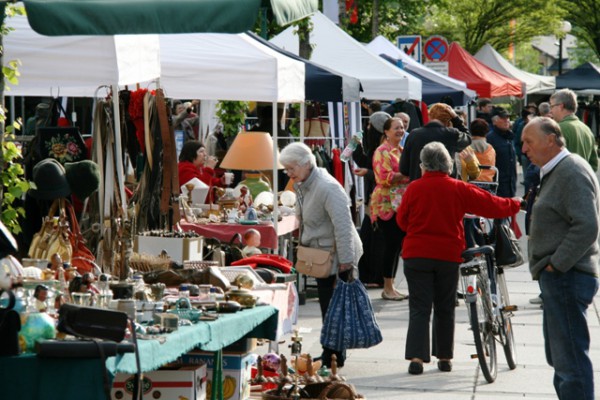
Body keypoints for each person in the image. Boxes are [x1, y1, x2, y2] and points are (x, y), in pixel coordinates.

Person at [397, 141, 522, 375]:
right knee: (445, 306)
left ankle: (416, 358)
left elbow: (402, 221)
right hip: (447, 254)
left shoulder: (414, 188)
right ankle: (444, 357)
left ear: (423, 165)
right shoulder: (458, 188)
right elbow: (491, 205)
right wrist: (516, 203)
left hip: (417, 254)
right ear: (448, 165)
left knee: (419, 307)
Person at [521, 117, 599, 400]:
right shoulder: (557, 170)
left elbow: (587, 225)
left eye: (529, 142)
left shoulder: (571, 171)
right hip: (560, 277)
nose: (525, 149)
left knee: (570, 363)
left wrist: (558, 263)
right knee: (561, 358)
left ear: (551, 139)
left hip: (567, 276)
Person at [280, 142, 362, 368]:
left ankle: (333, 357)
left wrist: (346, 262)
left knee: (333, 309)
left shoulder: (327, 187)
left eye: (291, 168)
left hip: (335, 257)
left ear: (306, 165)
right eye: (286, 169)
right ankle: (332, 355)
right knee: (329, 308)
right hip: (322, 254)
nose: (288, 173)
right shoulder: (305, 183)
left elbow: (344, 227)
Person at [370, 117, 410, 301]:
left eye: (402, 127)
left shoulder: (401, 150)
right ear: (386, 132)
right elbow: (384, 178)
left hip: (400, 203)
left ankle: (391, 286)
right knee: (391, 246)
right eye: (396, 128)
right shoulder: (382, 151)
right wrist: (408, 174)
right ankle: (387, 287)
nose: (400, 131)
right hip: (386, 205)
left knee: (396, 246)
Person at [353, 111, 391, 288]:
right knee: (370, 238)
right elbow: (367, 164)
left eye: (369, 125)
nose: (367, 128)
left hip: (380, 202)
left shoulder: (382, 148)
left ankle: (376, 277)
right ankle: (373, 276)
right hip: (376, 201)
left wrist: (367, 172)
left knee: (374, 239)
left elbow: (380, 175)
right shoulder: (379, 146)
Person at [400, 103, 471, 181]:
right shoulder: (452, 134)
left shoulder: (414, 134)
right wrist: (456, 119)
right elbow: (468, 138)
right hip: (445, 185)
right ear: (448, 121)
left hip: (419, 185)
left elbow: (404, 169)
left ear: (429, 116)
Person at [550, 88, 598, 172]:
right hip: (582, 181)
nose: (551, 110)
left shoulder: (558, 129)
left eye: (552, 106)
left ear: (561, 106)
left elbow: (550, 162)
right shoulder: (586, 129)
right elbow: (594, 165)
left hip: (564, 182)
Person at [487, 108, 517, 198]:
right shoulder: (490, 138)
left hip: (510, 185)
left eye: (508, 118)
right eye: (503, 118)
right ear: (494, 121)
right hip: (498, 186)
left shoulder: (509, 136)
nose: (507, 120)